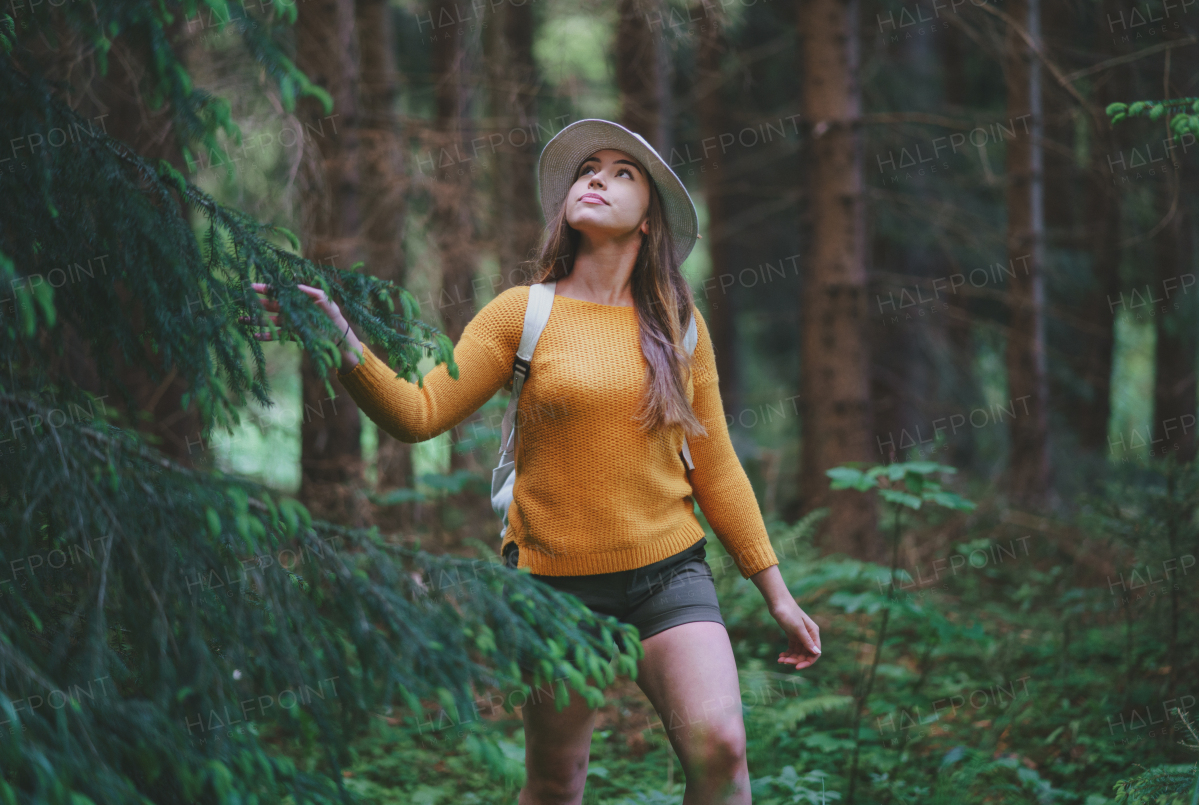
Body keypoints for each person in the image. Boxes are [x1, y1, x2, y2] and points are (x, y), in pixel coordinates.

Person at [250, 118, 820, 804]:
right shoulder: (524, 313)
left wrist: (776, 594)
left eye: (621, 173)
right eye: (587, 170)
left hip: (669, 575)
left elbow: (717, 465)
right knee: (555, 782)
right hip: (554, 588)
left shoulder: (678, 326)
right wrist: (340, 338)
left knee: (721, 752)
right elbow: (419, 412)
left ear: (648, 222)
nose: (597, 179)